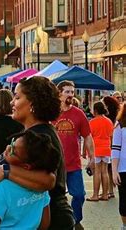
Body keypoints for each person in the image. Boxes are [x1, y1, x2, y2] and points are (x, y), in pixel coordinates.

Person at [0, 76, 75, 229]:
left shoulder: (41, 136)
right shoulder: (32, 133)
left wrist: (5, 171)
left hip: (50, 221)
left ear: (32, 104)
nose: (12, 102)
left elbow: (49, 180)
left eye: (17, 97)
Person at [0, 130, 58, 229]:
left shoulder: (1, 186)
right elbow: (44, 224)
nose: (8, 148)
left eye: (13, 151)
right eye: (12, 143)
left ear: (26, 166)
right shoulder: (41, 187)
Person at [52, 81, 95, 229]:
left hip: (73, 164)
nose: (71, 95)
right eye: (67, 92)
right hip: (54, 164)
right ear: (59, 94)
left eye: (72, 92)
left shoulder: (78, 114)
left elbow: (87, 136)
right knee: (53, 197)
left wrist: (92, 158)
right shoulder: (51, 113)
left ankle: (75, 220)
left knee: (79, 195)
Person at [87, 101, 114, 201]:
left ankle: (95, 195)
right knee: (105, 171)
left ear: (96, 110)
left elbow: (89, 137)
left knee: (97, 172)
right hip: (106, 148)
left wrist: (85, 151)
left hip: (96, 148)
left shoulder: (92, 122)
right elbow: (111, 135)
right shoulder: (109, 121)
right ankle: (105, 194)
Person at [103, 95, 121, 199]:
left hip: (109, 144)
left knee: (108, 169)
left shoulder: (108, 119)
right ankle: (111, 190)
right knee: (111, 169)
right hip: (113, 144)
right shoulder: (117, 117)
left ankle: (109, 191)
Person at [112, 104, 126, 229]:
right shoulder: (120, 125)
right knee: (125, 201)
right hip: (123, 169)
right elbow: (115, 149)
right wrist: (114, 170)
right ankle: (124, 225)